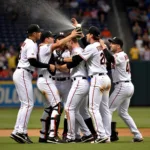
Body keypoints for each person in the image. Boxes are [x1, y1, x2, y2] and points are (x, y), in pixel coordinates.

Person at [56, 26, 111, 143]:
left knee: (81, 108)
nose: (86, 36)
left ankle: (76, 136)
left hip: (89, 79)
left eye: (88, 34)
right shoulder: (99, 46)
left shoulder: (89, 47)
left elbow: (76, 60)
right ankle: (92, 134)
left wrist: (60, 59)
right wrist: (78, 27)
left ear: (91, 35)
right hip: (102, 77)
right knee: (93, 109)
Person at [10, 24, 55, 144]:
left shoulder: (28, 43)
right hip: (24, 73)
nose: (40, 34)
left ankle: (17, 131)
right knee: (28, 104)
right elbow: (32, 61)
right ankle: (21, 132)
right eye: (38, 32)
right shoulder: (30, 44)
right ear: (34, 33)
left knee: (25, 104)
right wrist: (47, 65)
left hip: (22, 72)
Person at [37, 30, 82, 144]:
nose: (55, 39)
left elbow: (67, 68)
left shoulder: (64, 51)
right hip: (50, 81)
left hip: (62, 81)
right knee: (57, 107)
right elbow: (56, 46)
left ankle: (45, 135)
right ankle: (52, 135)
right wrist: (71, 35)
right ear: (47, 39)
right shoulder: (47, 48)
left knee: (52, 108)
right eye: (53, 38)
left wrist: (58, 66)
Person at [99, 37, 143, 142]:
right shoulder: (119, 55)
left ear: (118, 46)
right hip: (127, 85)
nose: (110, 45)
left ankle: (107, 136)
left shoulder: (120, 55)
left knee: (108, 109)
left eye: (112, 44)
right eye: (110, 44)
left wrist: (104, 47)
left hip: (122, 86)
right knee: (123, 112)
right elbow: (109, 65)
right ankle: (137, 135)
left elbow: (110, 59)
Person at [56, 37, 93, 143]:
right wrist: (59, 64)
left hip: (79, 81)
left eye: (67, 41)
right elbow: (69, 66)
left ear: (71, 41)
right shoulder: (78, 51)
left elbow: (74, 61)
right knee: (75, 110)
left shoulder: (78, 51)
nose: (66, 43)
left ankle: (70, 137)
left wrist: (61, 60)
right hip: (81, 82)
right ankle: (87, 134)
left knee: (68, 108)